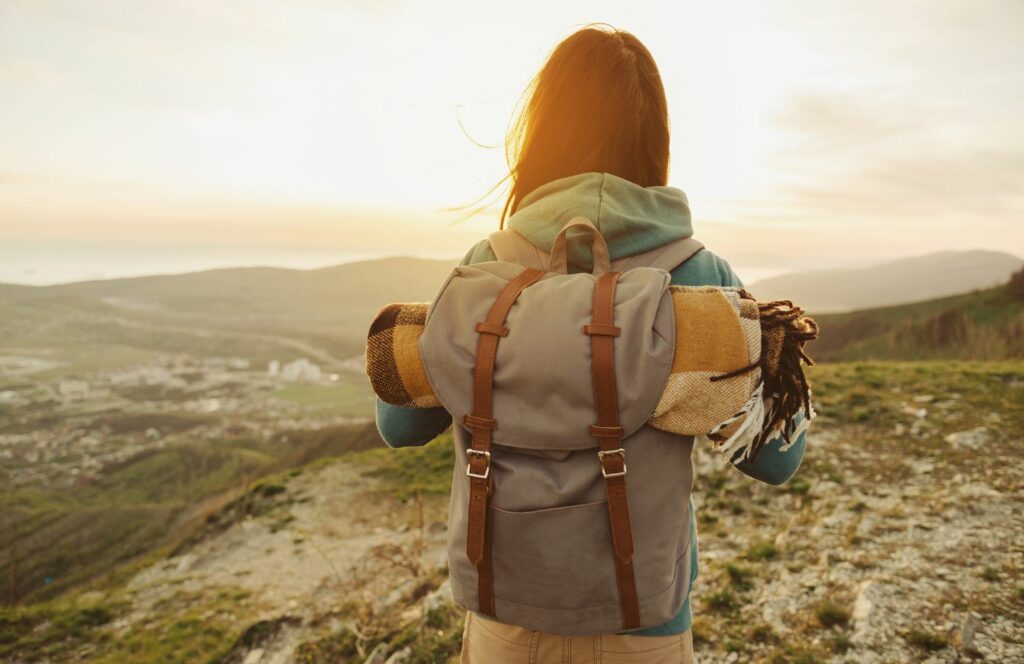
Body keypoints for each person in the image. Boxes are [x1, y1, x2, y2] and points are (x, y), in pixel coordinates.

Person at [375, 24, 808, 664]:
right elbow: (777, 460)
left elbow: (398, 424)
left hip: (505, 622)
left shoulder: (485, 268)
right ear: (656, 140)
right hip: (645, 626)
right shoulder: (699, 277)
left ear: (540, 135)